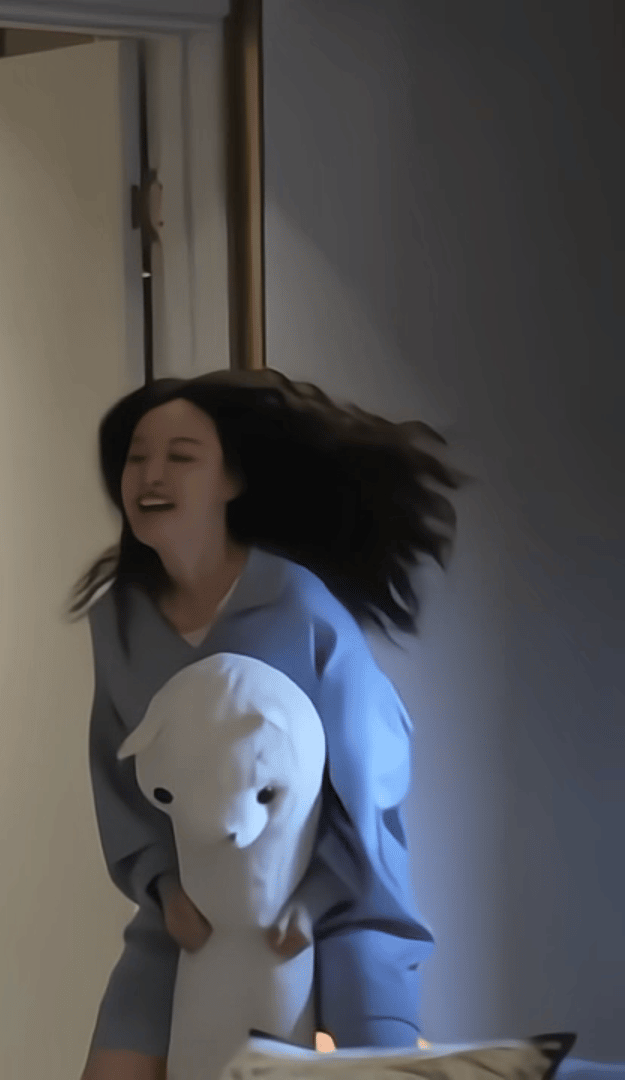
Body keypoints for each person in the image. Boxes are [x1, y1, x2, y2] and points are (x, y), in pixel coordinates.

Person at [72, 368, 463, 1080]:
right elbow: (119, 780)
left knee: (375, 1062)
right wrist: (164, 890)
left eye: (181, 456)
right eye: (137, 457)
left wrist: (316, 899)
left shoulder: (299, 606)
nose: (152, 475)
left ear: (232, 480)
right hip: (190, 908)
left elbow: (371, 777)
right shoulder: (117, 622)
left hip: (337, 907)